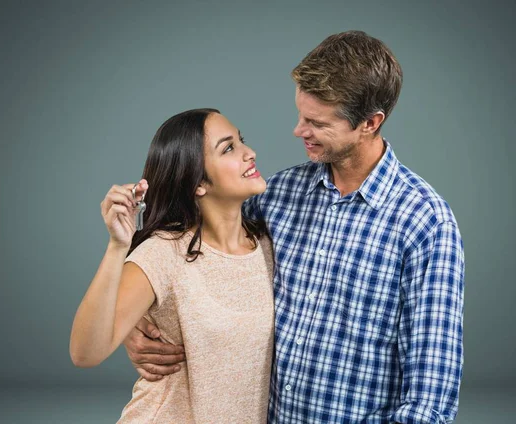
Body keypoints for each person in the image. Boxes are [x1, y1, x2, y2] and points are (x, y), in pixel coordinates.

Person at [123, 31, 465, 423]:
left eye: (317, 122)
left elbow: (429, 399)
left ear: (370, 123)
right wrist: (136, 319)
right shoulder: (279, 194)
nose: (298, 130)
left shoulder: (425, 223)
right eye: (301, 115)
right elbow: (179, 224)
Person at [69, 108, 276, 423]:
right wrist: (117, 247)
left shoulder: (268, 247)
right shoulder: (163, 254)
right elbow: (85, 353)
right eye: (229, 148)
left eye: (241, 141)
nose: (250, 153)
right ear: (198, 184)